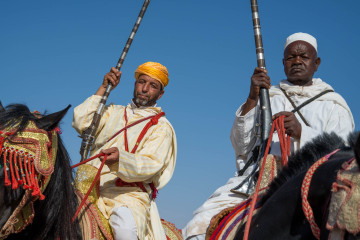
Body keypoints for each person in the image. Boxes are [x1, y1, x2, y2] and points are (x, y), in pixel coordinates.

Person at [182, 32, 355, 240]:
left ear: (316, 63)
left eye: (304, 57)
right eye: (291, 57)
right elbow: (242, 147)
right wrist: (252, 98)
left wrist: (302, 133)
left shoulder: (334, 106)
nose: (297, 61)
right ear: (283, 63)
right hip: (255, 182)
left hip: (308, 191)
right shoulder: (268, 96)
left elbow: (342, 158)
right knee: (199, 227)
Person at [73, 62, 177, 240]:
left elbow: (151, 164)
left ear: (161, 94)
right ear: (135, 83)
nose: (144, 89)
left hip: (127, 196)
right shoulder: (112, 112)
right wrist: (104, 87)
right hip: (88, 188)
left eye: (153, 86)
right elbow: (82, 122)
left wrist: (121, 159)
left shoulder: (161, 127)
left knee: (124, 229)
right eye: (141, 82)